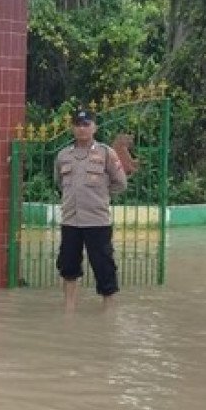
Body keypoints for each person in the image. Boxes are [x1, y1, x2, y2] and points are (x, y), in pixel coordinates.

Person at [55, 108, 128, 313]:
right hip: (71, 221)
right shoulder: (63, 155)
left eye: (86, 124)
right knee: (68, 267)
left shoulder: (106, 153)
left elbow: (120, 183)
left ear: (94, 127)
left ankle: (109, 310)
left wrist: (100, 197)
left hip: (97, 221)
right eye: (78, 124)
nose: (82, 129)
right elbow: (59, 183)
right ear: (72, 128)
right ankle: (69, 308)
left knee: (104, 266)